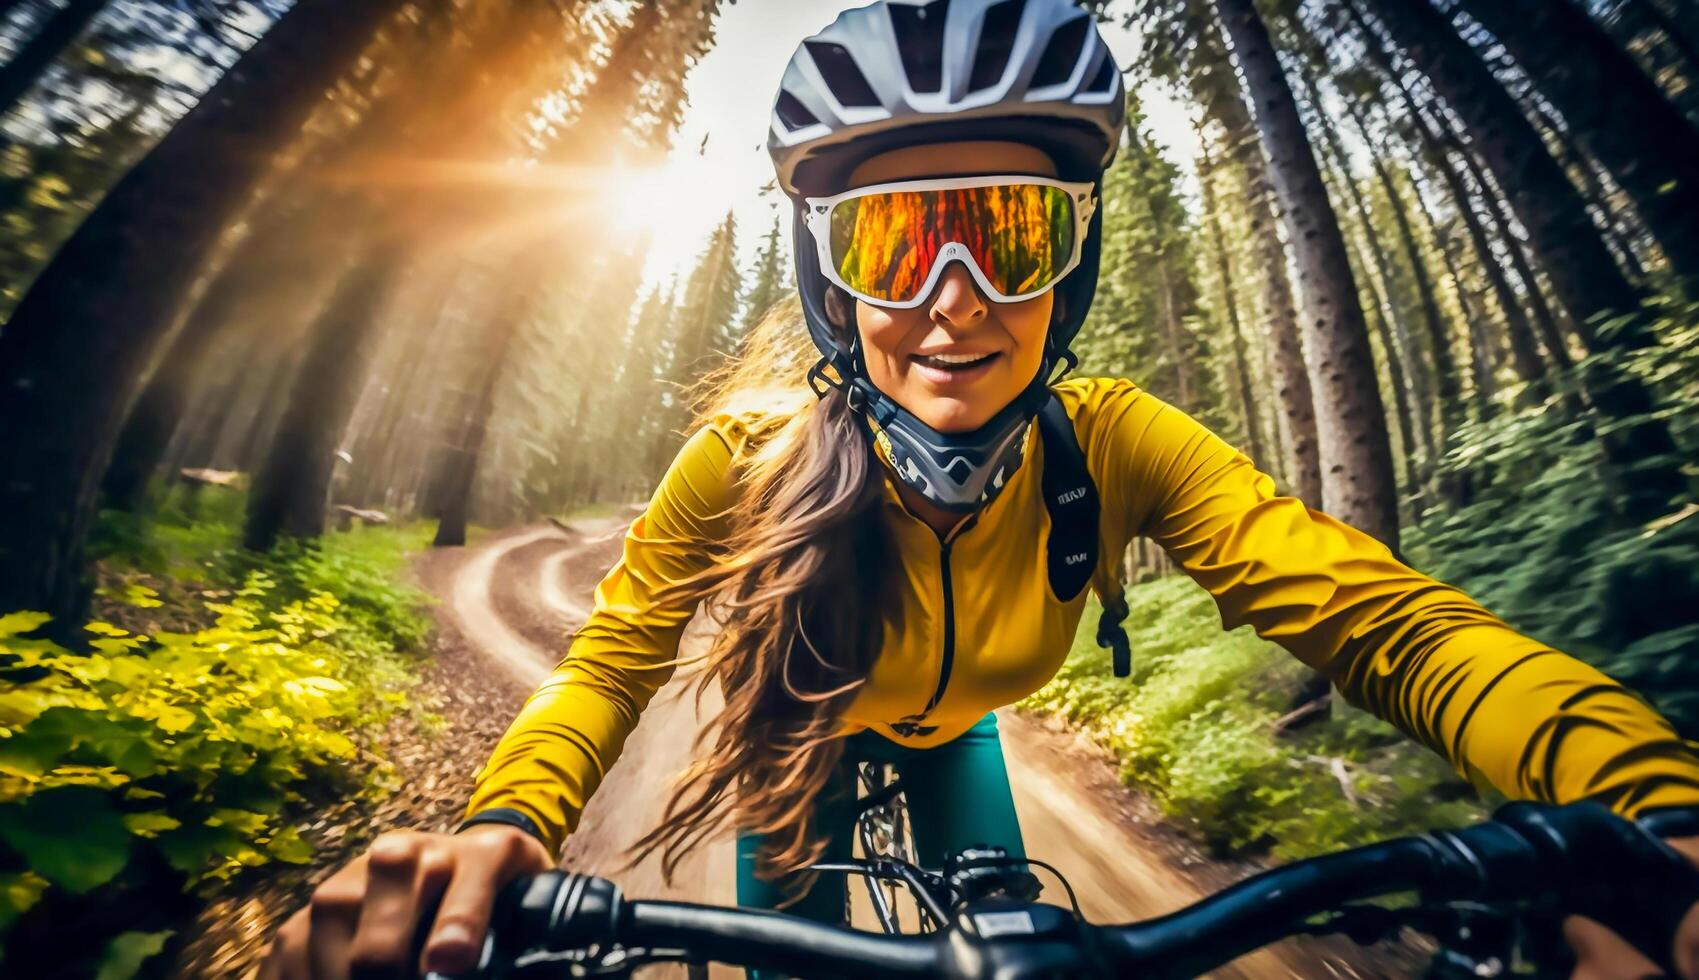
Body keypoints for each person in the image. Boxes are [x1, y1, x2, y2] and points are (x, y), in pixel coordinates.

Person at [261, 2, 1699, 977]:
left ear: (1064, 266)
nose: (955, 301)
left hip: (963, 743)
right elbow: (615, 660)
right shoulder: (747, 456)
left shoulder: (1118, 437)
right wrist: (500, 830)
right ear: (833, 275)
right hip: (799, 756)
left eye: (1006, 232)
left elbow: (1385, 625)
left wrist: (1656, 811)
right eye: (897, 245)